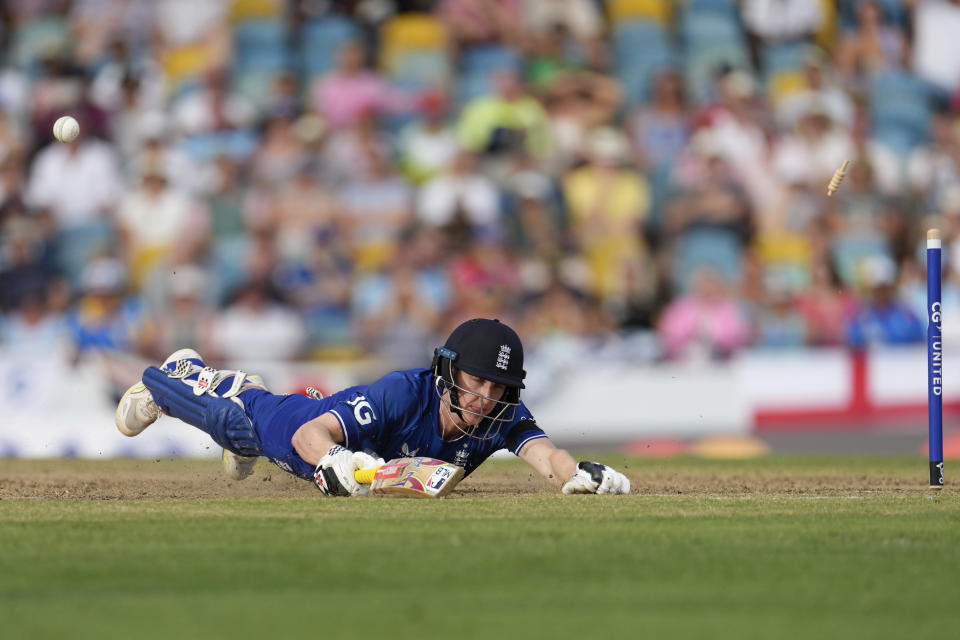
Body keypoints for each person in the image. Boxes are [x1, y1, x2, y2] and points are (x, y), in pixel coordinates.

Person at [115, 318, 630, 496]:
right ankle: (177, 378)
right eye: (477, 382)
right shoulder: (402, 392)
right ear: (449, 373)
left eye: (499, 388)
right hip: (304, 432)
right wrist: (331, 460)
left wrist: (576, 475)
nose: (486, 398)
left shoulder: (499, 417)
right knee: (238, 423)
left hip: (345, 443)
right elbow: (308, 438)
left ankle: (240, 400)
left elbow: (547, 456)